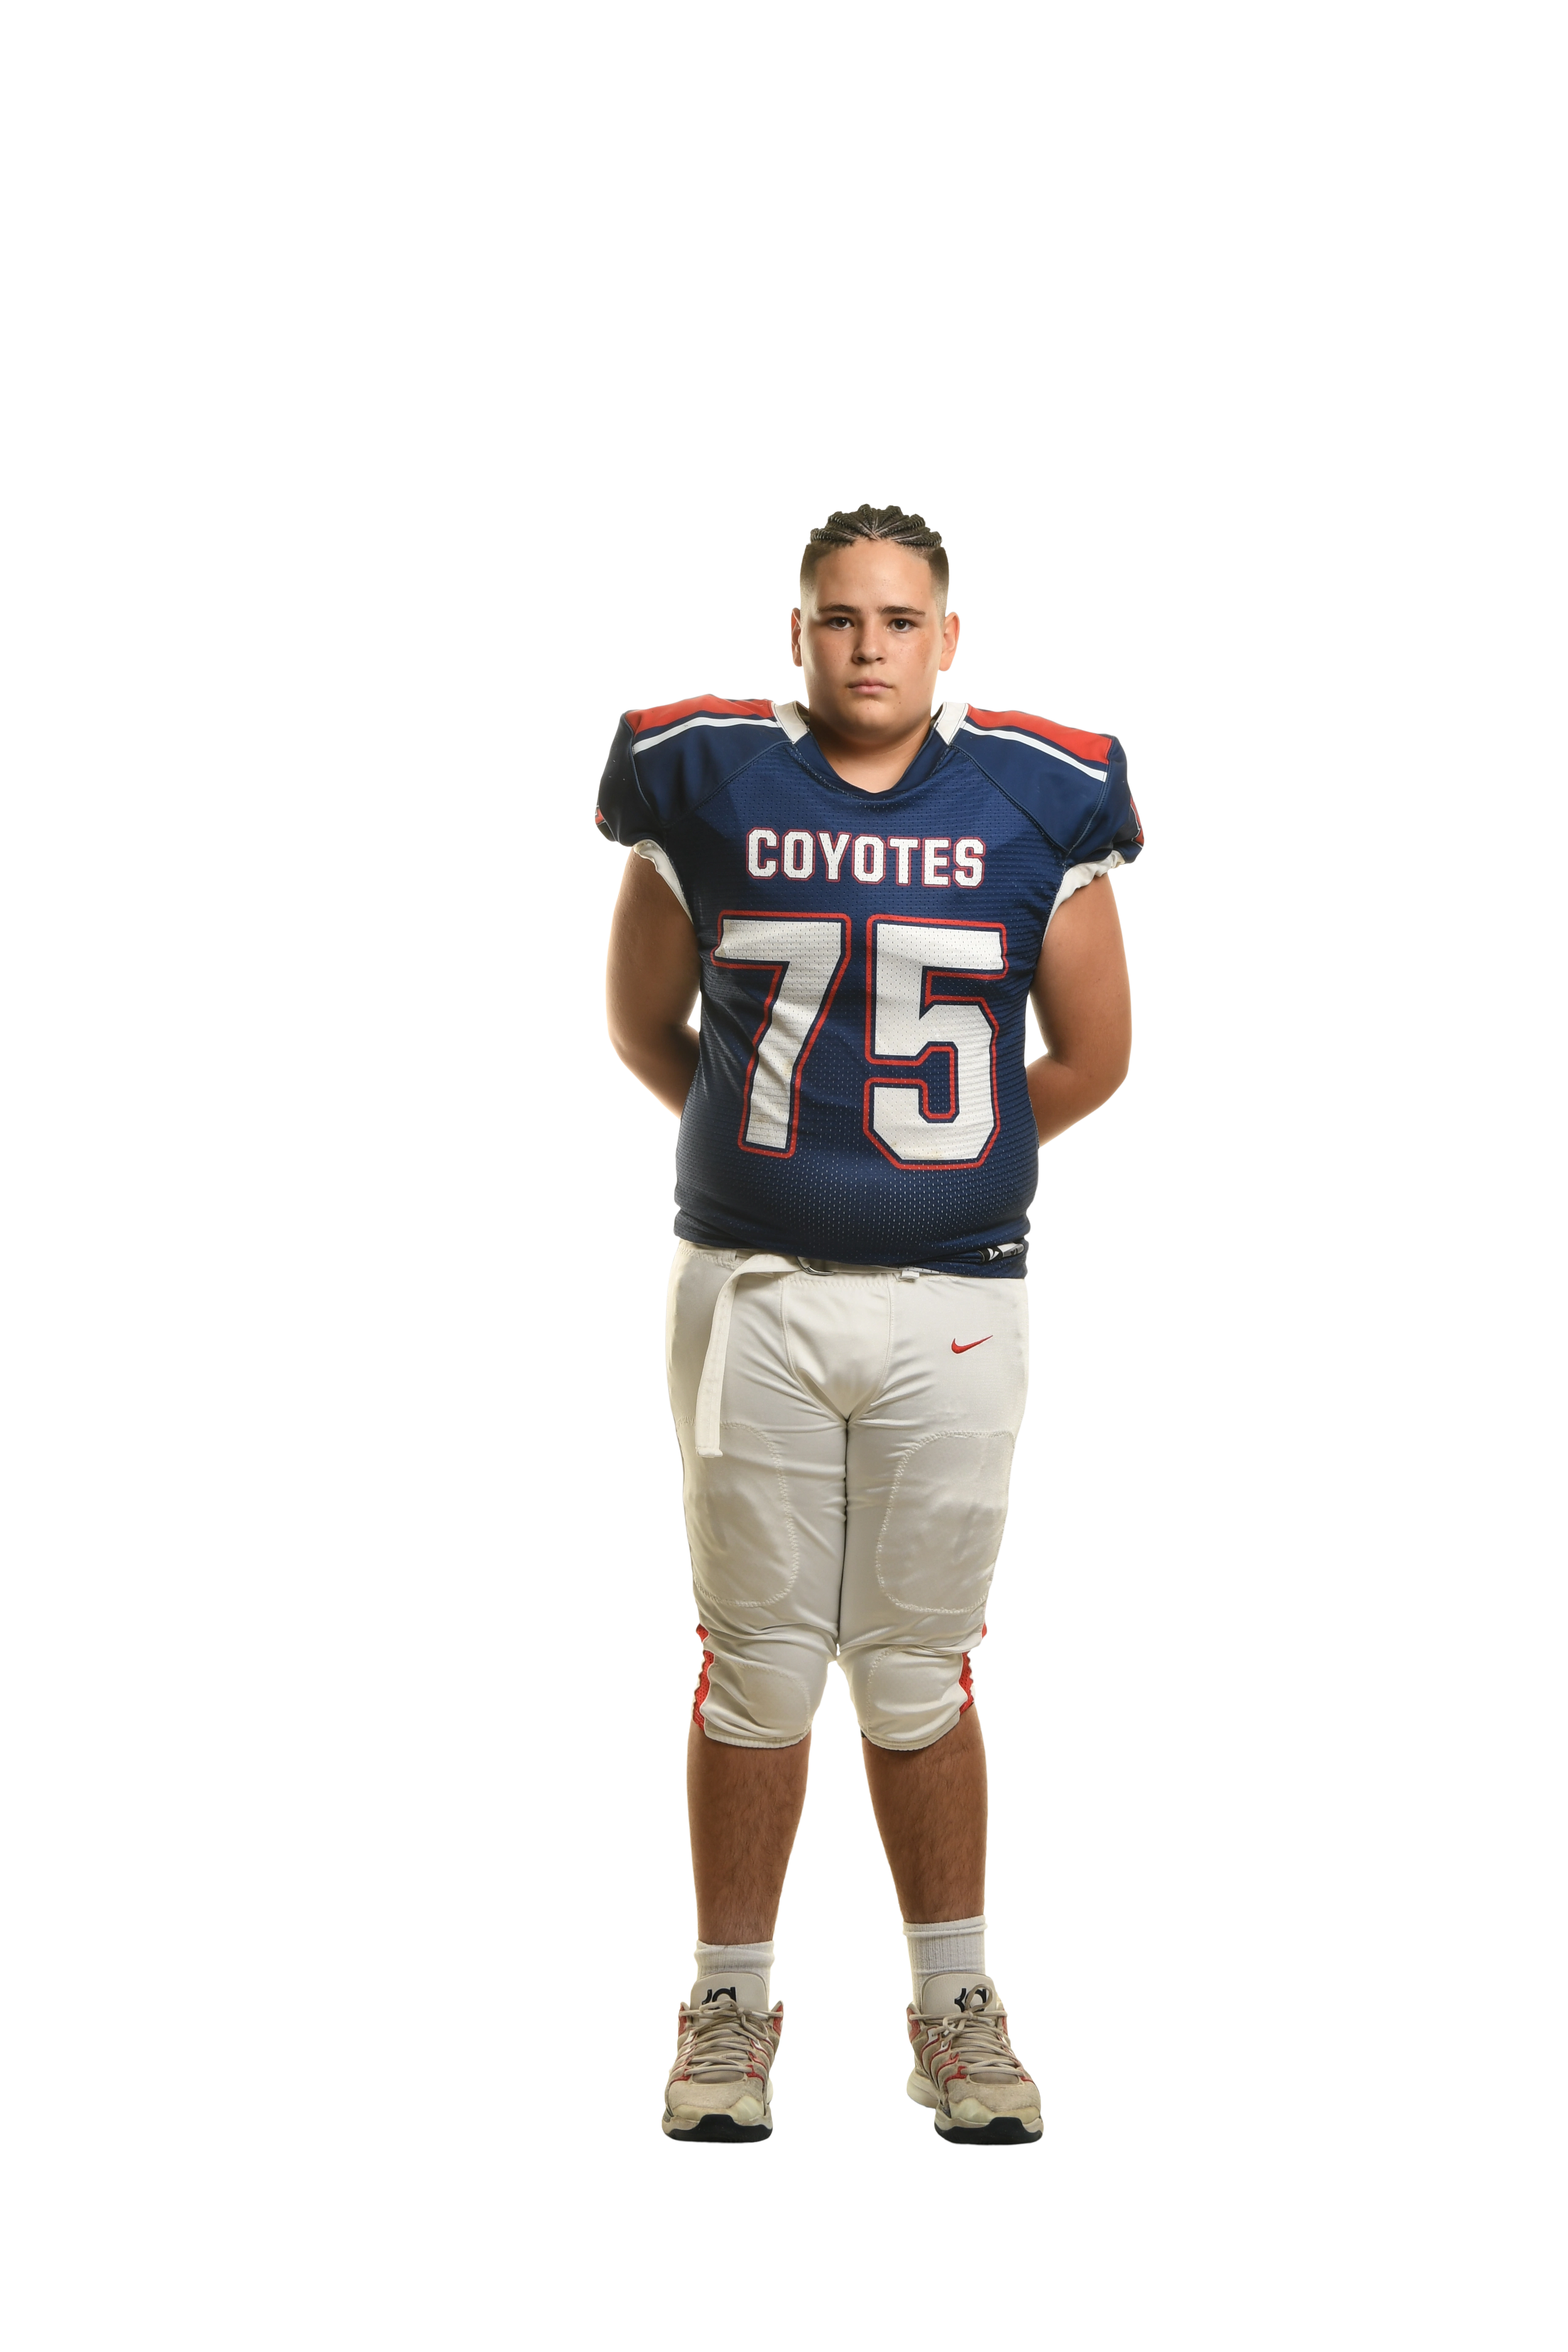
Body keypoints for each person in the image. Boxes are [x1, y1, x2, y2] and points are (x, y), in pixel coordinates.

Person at [599, 503, 1141, 2145]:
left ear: (948, 637)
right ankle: (731, 2006)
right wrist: (785, 1163)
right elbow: (645, 1024)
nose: (868, 646)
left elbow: (1092, 1057)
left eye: (900, 619)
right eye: (839, 616)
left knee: (916, 1669)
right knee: (757, 1666)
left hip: (956, 1295)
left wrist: (929, 1171)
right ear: (798, 632)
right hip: (750, 1290)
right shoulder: (703, 777)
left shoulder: (1034, 793)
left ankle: (955, 2007)